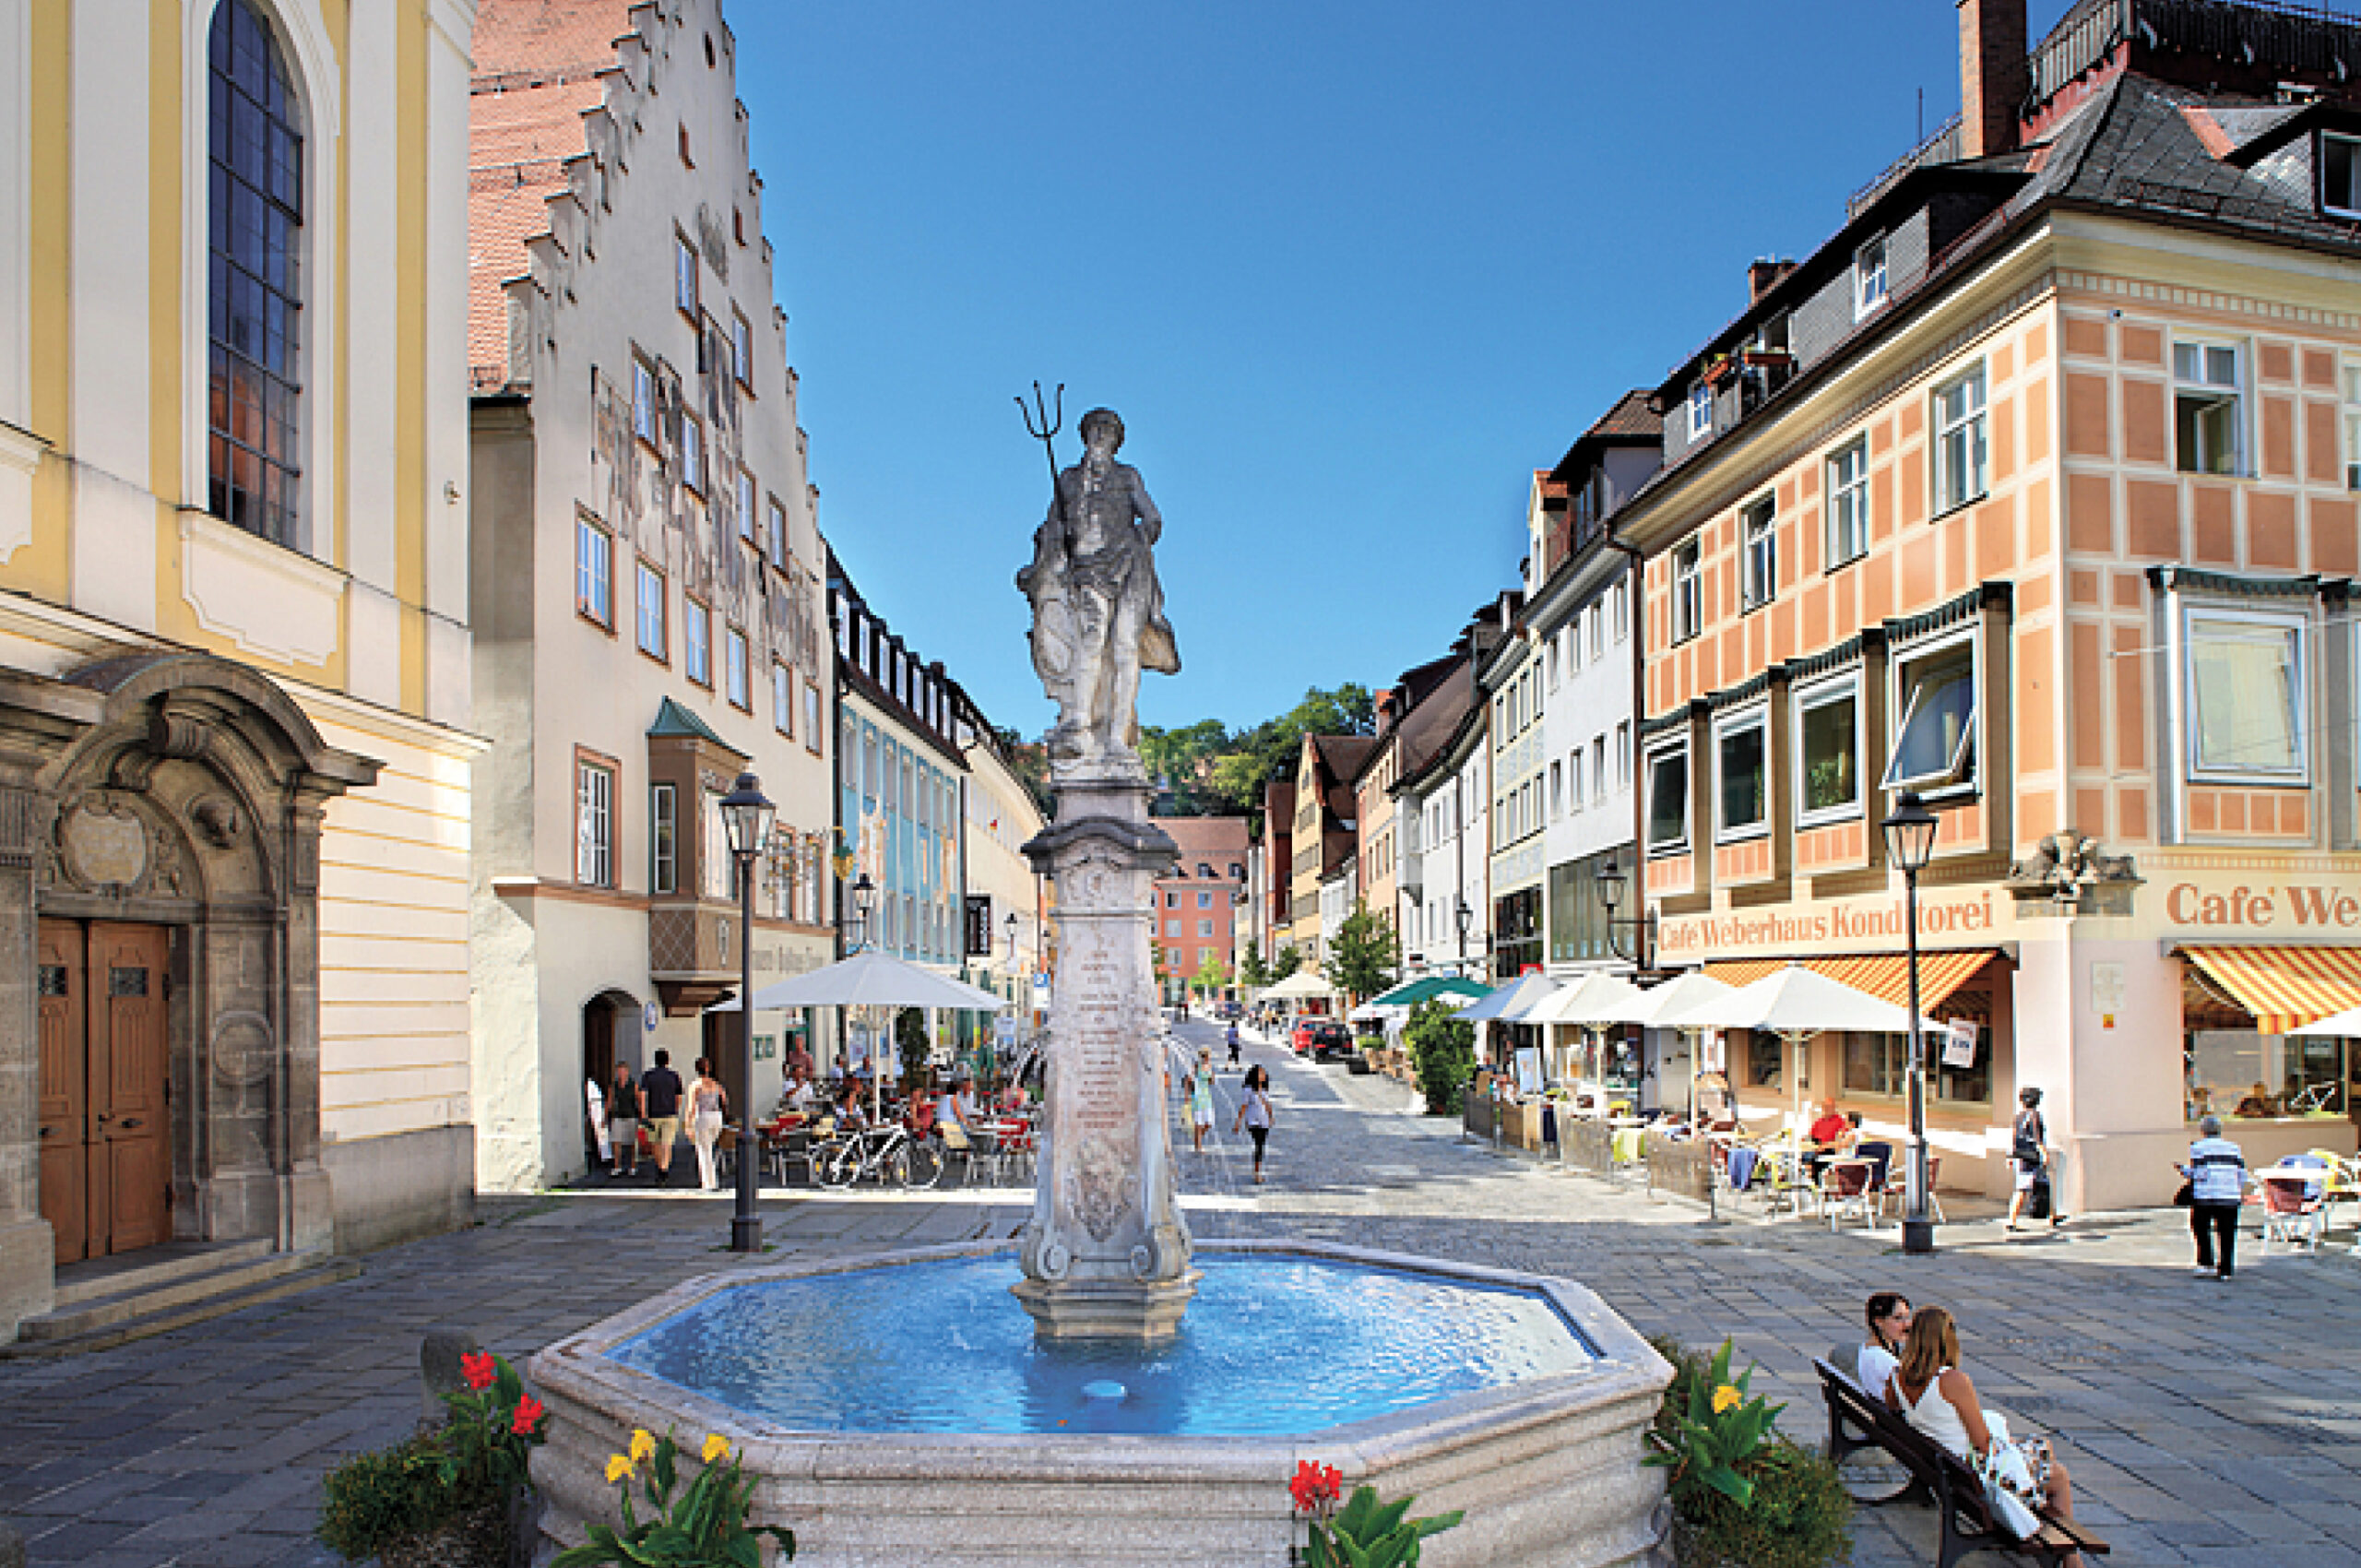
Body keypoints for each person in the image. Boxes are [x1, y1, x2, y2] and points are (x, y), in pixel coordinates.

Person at [1887, 1307, 2082, 1564]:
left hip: (1947, 1469)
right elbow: (1983, 1443)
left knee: (2040, 1450)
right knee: (2059, 1474)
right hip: (1973, 1475)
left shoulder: (1898, 1377)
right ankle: (2068, 1557)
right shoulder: (1953, 1380)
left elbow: (1894, 1408)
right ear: (1947, 1338)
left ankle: (2035, 1526)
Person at [2178, 1113, 2247, 1279]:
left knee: (2201, 1228)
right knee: (2228, 1232)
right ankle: (2226, 1270)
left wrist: (2185, 1171)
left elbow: (2200, 1173)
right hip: (2229, 1196)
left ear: (2203, 1131)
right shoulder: (2234, 1148)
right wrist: (2236, 1190)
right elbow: (2241, 1174)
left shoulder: (2198, 1147)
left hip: (2206, 1196)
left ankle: (2206, 1263)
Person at [2005, 1086, 2065, 1231]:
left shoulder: (2018, 1117)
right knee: (2024, 1188)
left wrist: (2010, 1155)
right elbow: (2037, 1138)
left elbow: (2014, 1137)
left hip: (2022, 1156)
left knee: (2042, 1185)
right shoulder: (2034, 1115)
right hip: (2032, 1157)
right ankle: (2011, 1220)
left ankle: (2052, 1215)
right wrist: (2044, 1153)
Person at [639, 1049, 684, 1183]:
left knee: (655, 1143)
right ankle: (664, 1168)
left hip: (653, 1114)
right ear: (667, 1060)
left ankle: (660, 1167)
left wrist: (643, 1113)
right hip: (670, 1114)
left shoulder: (648, 1076)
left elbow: (642, 1095)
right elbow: (679, 1096)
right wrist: (676, 1110)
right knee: (667, 1143)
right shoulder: (674, 1076)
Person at [1855, 1291, 1912, 1396]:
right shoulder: (1883, 1360)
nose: (1907, 1324)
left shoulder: (1867, 1349)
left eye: (1907, 1317)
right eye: (1898, 1318)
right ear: (1879, 1322)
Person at [687, 1057, 729, 1192]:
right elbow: (724, 1100)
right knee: (710, 1147)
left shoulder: (696, 1085)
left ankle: (707, 1182)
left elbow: (692, 1106)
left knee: (703, 1149)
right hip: (716, 1116)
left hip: (703, 1116)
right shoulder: (716, 1084)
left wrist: (688, 1124)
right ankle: (713, 1180)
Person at [1234, 1063, 1275, 1183]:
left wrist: (1271, 1117)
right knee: (1259, 1144)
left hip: (1264, 1120)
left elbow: (1268, 1104)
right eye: (1260, 1073)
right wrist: (1238, 1122)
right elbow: (1244, 1106)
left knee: (1260, 1145)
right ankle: (1257, 1173)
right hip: (1253, 1120)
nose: (1263, 1075)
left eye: (1263, 1073)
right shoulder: (1248, 1090)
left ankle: (1257, 1171)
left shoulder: (1265, 1089)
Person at [605, 1060, 640, 1180]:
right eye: (619, 1071)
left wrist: (642, 1115)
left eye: (623, 1071)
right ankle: (617, 1166)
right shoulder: (613, 1086)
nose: (621, 1074)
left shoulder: (633, 1085)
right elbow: (609, 1102)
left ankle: (633, 1166)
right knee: (616, 1141)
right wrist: (605, 1116)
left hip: (631, 1115)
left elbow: (638, 1100)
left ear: (627, 1072)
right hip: (618, 1115)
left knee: (631, 1142)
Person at [1186, 1049, 1217, 1153]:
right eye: (1205, 1056)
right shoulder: (1196, 1066)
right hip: (1197, 1096)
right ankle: (1198, 1146)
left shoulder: (1210, 1067)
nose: (1207, 1058)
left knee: (1209, 1122)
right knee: (1198, 1123)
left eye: (1208, 1056)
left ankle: (1197, 1139)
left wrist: (1212, 1076)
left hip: (1206, 1096)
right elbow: (1188, 1080)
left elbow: (1211, 1082)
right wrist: (1187, 1095)